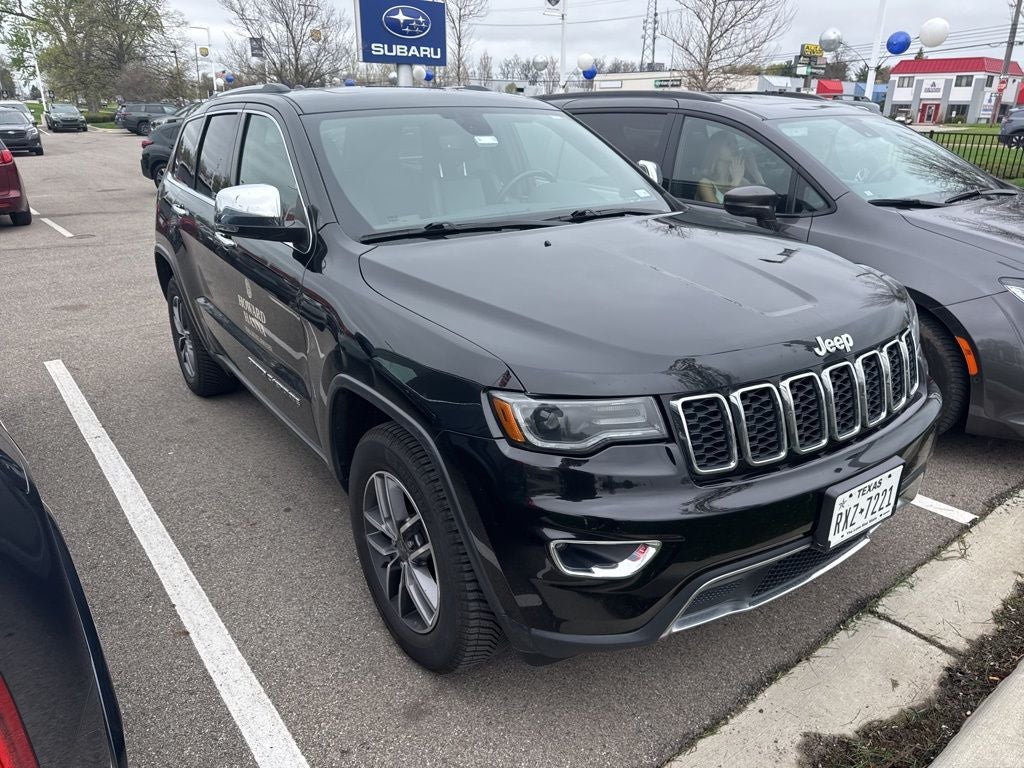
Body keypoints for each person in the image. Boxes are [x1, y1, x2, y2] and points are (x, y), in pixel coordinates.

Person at [696, 130, 764, 204]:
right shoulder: (705, 183)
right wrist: (736, 180)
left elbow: (763, 200)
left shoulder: (742, 181)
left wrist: (755, 172)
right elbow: (719, 212)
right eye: (728, 144)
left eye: (736, 142)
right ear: (716, 150)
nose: (735, 146)